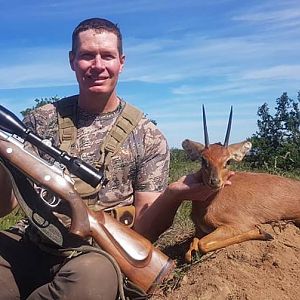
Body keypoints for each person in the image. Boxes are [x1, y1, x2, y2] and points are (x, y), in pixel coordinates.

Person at [0, 18, 231, 299]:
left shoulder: (148, 136)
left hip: (96, 252)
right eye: (87, 55)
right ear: (72, 61)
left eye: (107, 56)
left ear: (121, 62)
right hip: (32, 237)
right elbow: (5, 206)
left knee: (89, 282)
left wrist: (172, 195)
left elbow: (144, 231)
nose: (97, 65)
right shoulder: (38, 121)